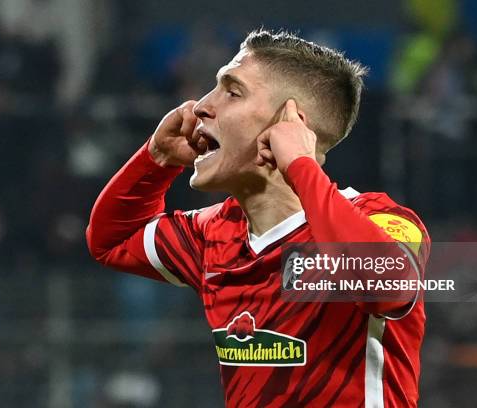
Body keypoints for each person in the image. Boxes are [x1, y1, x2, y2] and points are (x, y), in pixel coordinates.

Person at [86, 29, 431, 407]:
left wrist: (299, 163)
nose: (200, 107)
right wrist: (156, 158)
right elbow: (112, 240)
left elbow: (387, 286)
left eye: (232, 92)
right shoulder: (213, 234)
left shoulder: (381, 219)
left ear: (291, 122)